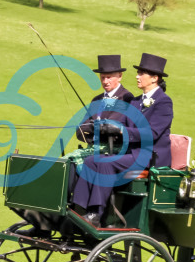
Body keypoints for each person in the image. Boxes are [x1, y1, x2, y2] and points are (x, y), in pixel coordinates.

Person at [71, 52, 174, 226]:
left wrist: (119, 130)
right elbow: (121, 125)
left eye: (141, 73)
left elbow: (152, 133)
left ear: (154, 78)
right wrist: (102, 127)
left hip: (149, 157)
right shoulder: (135, 101)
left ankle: (96, 213)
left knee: (105, 163)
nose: (137, 77)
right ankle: (77, 209)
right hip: (130, 154)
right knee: (90, 161)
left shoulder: (163, 102)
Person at [76, 54, 135, 147]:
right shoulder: (96, 99)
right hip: (93, 148)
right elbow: (80, 130)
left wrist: (93, 128)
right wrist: (94, 139)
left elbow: (111, 127)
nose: (105, 81)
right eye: (102, 77)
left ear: (120, 76)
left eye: (109, 77)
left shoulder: (126, 98)